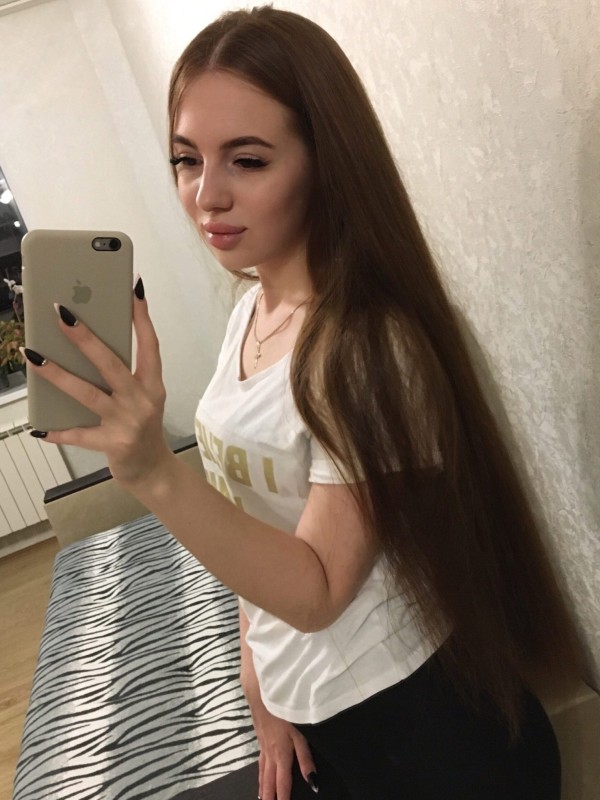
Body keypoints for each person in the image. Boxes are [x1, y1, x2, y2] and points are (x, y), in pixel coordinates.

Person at [25, 6, 582, 799]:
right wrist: (261, 683)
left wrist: (152, 470)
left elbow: (317, 588)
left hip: (424, 729)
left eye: (247, 160)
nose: (206, 194)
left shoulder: (368, 346)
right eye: (186, 159)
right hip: (320, 715)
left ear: (327, 162)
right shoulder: (253, 309)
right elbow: (254, 515)